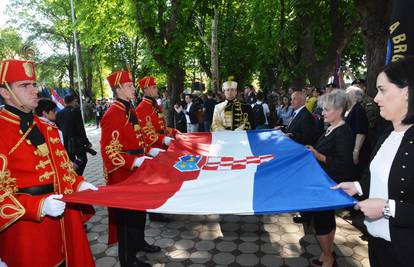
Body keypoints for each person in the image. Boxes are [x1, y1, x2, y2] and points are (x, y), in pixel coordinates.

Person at [0, 59, 96, 267]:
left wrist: (79, 183)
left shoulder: (47, 126)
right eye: (24, 85)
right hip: (26, 228)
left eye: (33, 84)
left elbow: (62, 166)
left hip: (61, 218)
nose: (33, 90)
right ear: (6, 92)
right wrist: (38, 206)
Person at [333, 57, 414, 267]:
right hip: (376, 242)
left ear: (407, 92)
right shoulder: (386, 132)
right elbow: (381, 177)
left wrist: (388, 209)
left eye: (382, 90)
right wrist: (358, 186)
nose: (376, 98)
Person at [101, 71, 161, 267]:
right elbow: (109, 150)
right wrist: (133, 162)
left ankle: (139, 243)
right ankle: (127, 260)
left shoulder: (130, 110)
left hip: (138, 169)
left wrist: (147, 152)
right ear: (117, 90)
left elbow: (139, 138)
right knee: (126, 219)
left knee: (139, 211)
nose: (133, 89)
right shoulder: (112, 113)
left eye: (132, 85)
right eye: (128, 86)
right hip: (123, 173)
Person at [306, 90, 355, 267]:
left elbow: (344, 164)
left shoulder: (343, 132)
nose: (323, 113)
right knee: (325, 220)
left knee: (321, 223)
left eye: (326, 109)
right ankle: (326, 254)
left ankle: (328, 258)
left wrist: (318, 155)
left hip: (330, 184)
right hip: (323, 182)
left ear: (340, 110)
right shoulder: (331, 128)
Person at [56, 94, 93, 175]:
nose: (76, 102)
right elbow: (80, 129)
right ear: (73, 101)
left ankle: (72, 177)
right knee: (83, 159)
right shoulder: (76, 111)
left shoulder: (59, 114)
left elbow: (58, 128)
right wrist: (87, 142)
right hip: (77, 142)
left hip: (65, 141)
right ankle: (77, 176)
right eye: (75, 100)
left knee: (71, 161)